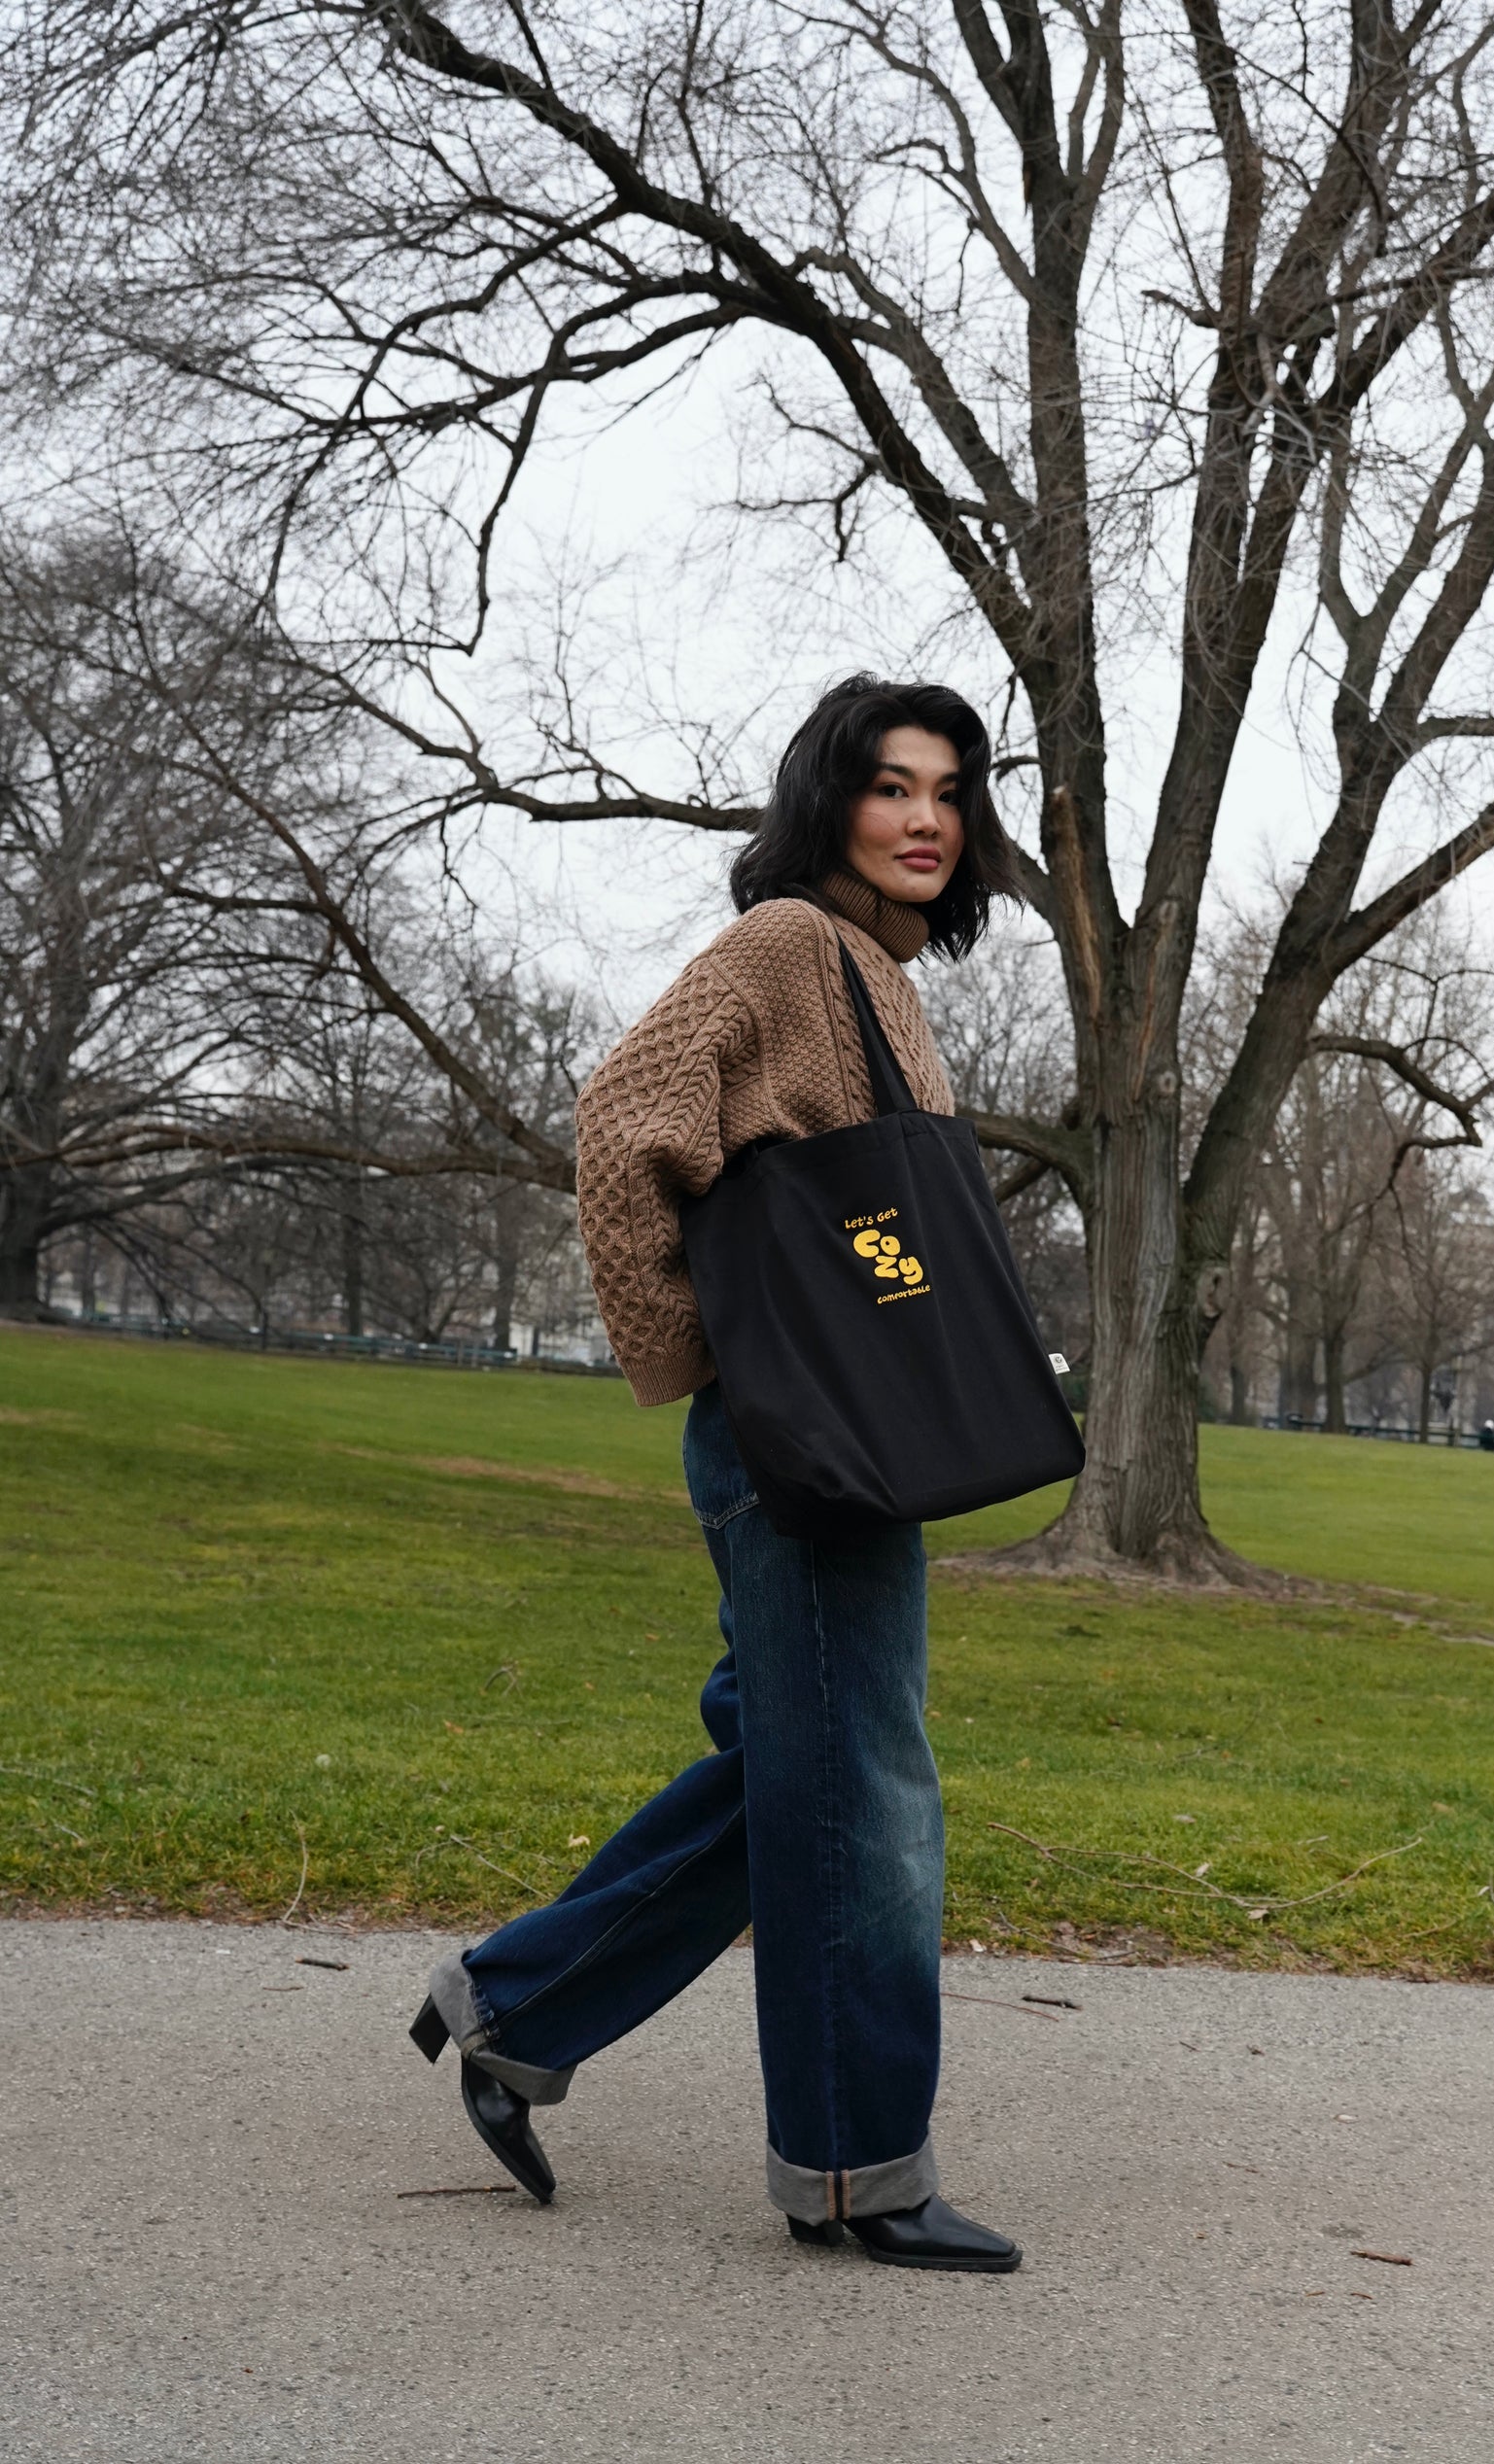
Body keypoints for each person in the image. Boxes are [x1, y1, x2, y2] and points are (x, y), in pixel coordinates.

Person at [407, 675, 1024, 2273]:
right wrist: (704, 1354)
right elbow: (624, 1119)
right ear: (828, 800)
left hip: (840, 1431)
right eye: (890, 786)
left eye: (949, 792)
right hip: (800, 1435)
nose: (925, 819)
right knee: (867, 1796)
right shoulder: (785, 947)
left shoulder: (877, 976)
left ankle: (514, 2005)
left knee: (796, 1773)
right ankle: (854, 2172)